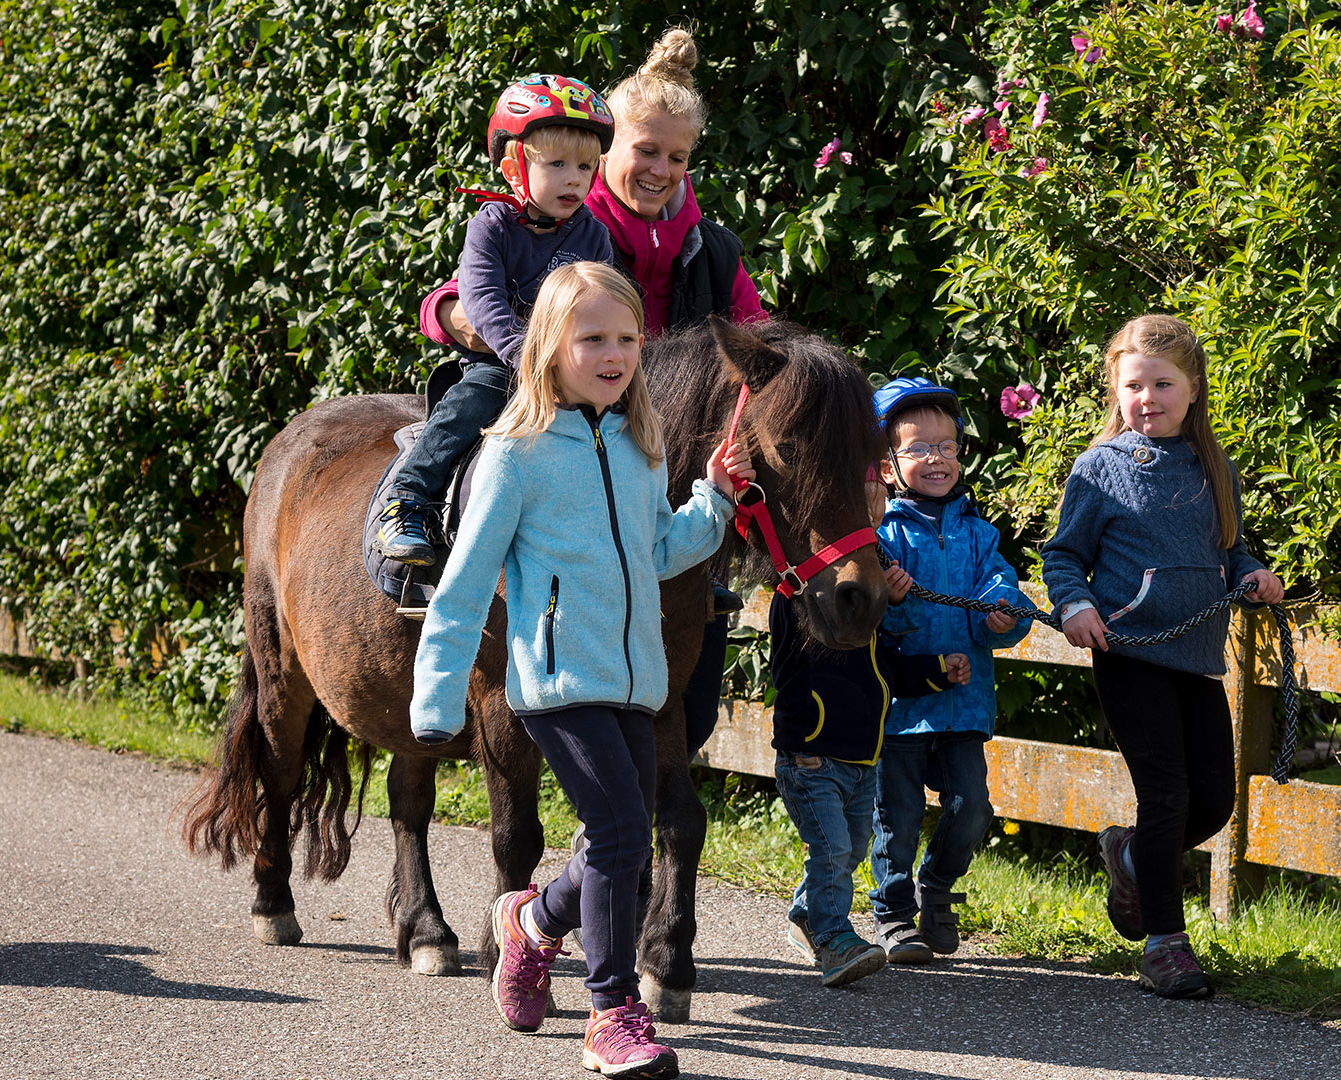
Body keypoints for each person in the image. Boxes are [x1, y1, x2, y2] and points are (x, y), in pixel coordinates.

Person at [408, 261, 754, 1079]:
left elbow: (660, 552)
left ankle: (530, 926)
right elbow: (462, 583)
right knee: (624, 834)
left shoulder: (643, 446)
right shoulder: (515, 455)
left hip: (635, 681)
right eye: (592, 336)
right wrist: (436, 694)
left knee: (618, 847)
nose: (614, 352)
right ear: (548, 348)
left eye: (627, 337)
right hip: (556, 683)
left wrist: (711, 501)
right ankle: (610, 1014)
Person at [420, 28, 766, 757]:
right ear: (606, 150)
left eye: (677, 157)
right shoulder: (567, 212)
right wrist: (450, 313)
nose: (660, 169)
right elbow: (470, 291)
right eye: (646, 151)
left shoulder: (713, 247)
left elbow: (757, 337)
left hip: (656, 452)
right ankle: (424, 536)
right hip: (560, 418)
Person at [1041, 313, 1285, 1001]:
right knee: (1168, 795)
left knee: (1212, 801)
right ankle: (1164, 946)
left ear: (1193, 388)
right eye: (1134, 385)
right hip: (1129, 653)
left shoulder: (1212, 467)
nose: (1148, 397)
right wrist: (1075, 605)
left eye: (1163, 384)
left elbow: (1229, 549)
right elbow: (1063, 556)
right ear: (1115, 390)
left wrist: (1252, 574)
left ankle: (1127, 852)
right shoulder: (1100, 469)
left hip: (1197, 656)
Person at [373, 73, 617, 567]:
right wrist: (522, 352)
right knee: (473, 401)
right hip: (508, 360)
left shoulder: (593, 236)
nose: (575, 177)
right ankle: (409, 498)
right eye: (558, 163)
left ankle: (661, 531)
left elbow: (605, 300)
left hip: (577, 366)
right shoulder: (492, 226)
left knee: (650, 417)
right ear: (513, 168)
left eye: (586, 166)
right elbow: (481, 299)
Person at [769, 476, 971, 987]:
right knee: (834, 851)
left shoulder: (868, 610)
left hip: (863, 760)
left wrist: (933, 671)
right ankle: (833, 939)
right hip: (812, 756)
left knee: (853, 850)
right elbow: (792, 639)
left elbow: (890, 671)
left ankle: (804, 912)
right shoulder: (800, 595)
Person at [868, 377, 1032, 964]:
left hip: (963, 705)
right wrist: (892, 600)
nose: (936, 457)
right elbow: (868, 625)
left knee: (971, 809)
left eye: (947, 445)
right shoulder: (880, 539)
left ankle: (936, 890)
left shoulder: (978, 533)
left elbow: (999, 587)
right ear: (887, 466)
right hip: (904, 709)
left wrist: (1001, 615)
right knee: (900, 816)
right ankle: (892, 912)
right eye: (918, 448)